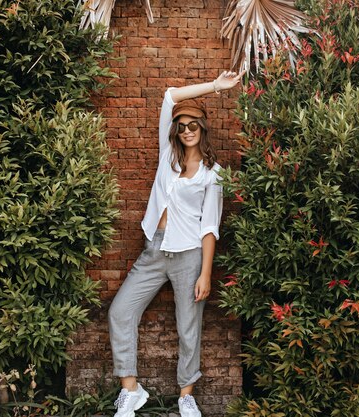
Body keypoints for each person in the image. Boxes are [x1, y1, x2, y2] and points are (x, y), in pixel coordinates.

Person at [108, 70, 244, 417]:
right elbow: (170, 96)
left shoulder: (212, 175)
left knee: (188, 328)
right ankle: (131, 390)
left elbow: (210, 227)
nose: (186, 130)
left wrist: (206, 274)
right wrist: (215, 85)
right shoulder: (166, 155)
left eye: (192, 125)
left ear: (202, 129)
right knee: (120, 311)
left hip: (189, 257)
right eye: (181, 125)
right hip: (155, 249)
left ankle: (186, 395)